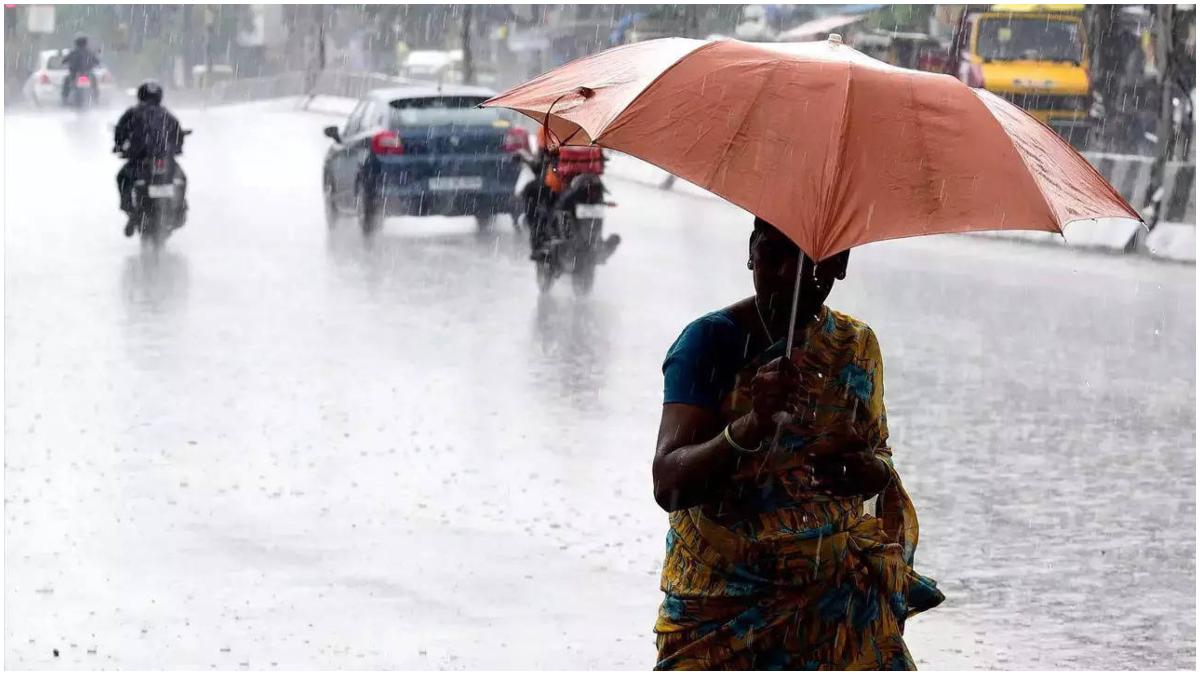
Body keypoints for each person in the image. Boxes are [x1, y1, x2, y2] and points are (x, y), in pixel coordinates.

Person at [651, 217, 943, 670]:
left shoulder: (854, 347)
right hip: (720, 613)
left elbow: (879, 458)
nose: (790, 274)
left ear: (841, 264)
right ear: (751, 251)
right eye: (774, 254)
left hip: (833, 603)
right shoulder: (709, 344)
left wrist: (868, 469)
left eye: (813, 261)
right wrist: (751, 424)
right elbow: (668, 483)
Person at [114, 81, 187, 236]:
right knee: (182, 179)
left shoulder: (132, 113)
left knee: (122, 178)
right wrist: (176, 148)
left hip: (140, 161)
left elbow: (120, 133)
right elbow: (178, 136)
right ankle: (179, 208)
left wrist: (120, 146)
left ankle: (129, 210)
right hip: (164, 160)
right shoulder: (167, 114)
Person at [61, 34, 100, 105]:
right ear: (85, 43)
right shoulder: (90, 52)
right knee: (94, 81)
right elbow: (97, 61)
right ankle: (96, 96)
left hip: (75, 75)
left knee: (66, 80)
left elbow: (64, 61)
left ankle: (65, 98)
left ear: (76, 43)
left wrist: (65, 62)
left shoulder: (73, 52)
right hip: (86, 74)